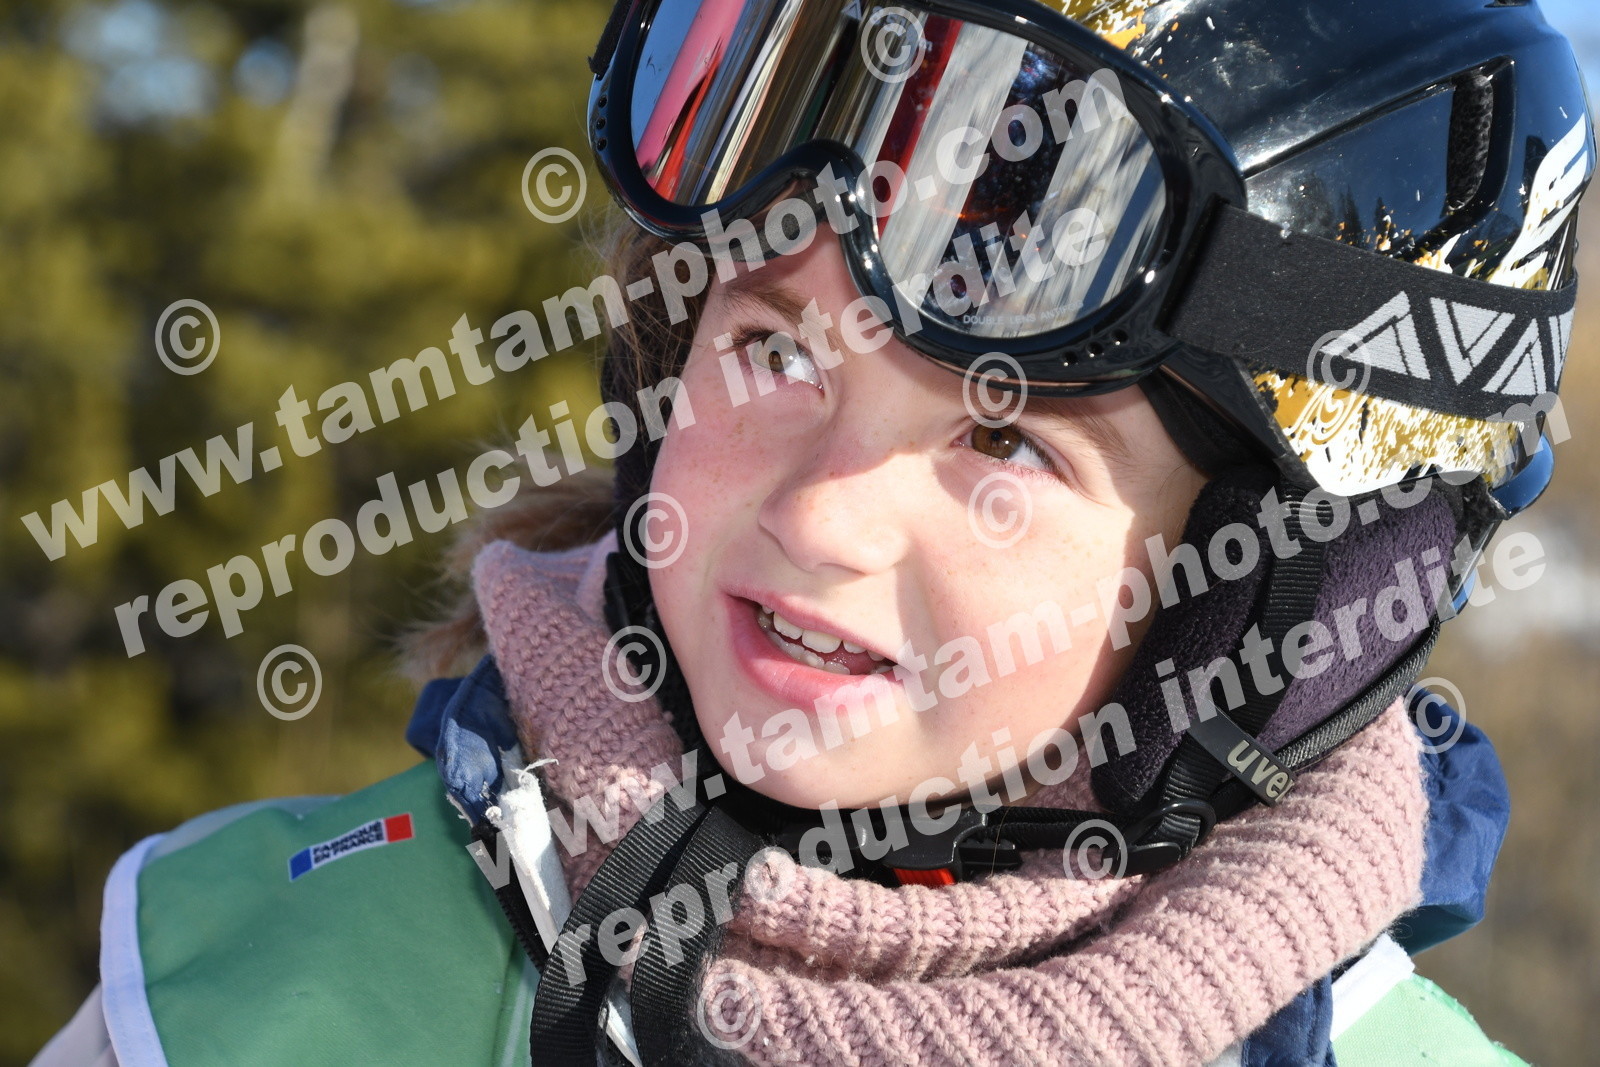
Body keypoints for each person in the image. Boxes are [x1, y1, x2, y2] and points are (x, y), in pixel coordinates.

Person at [32, 0, 1590, 1064]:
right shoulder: (245, 989)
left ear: (1269, 595)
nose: (825, 514)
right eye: (776, 352)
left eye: (1005, 442)